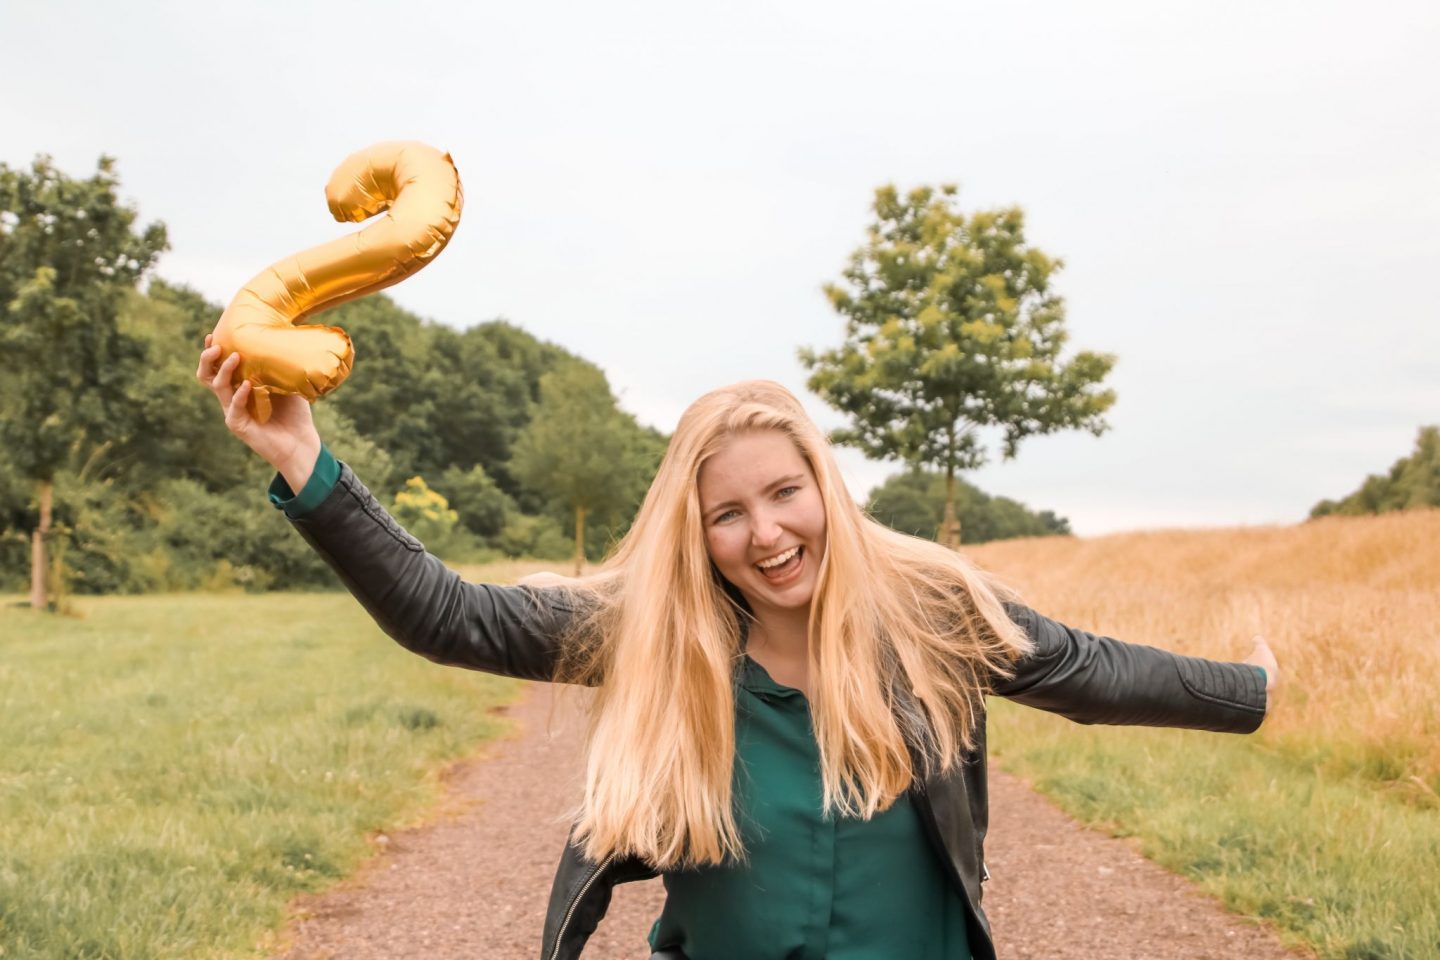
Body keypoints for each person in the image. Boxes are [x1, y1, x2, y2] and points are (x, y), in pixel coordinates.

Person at [197, 337, 1278, 960]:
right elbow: (450, 616)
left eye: (784, 494)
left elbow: (1089, 672)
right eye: (728, 514)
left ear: (825, 491)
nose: (766, 534)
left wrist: (1253, 691)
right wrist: (304, 459)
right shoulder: (655, 633)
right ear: (696, 531)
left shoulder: (930, 616)